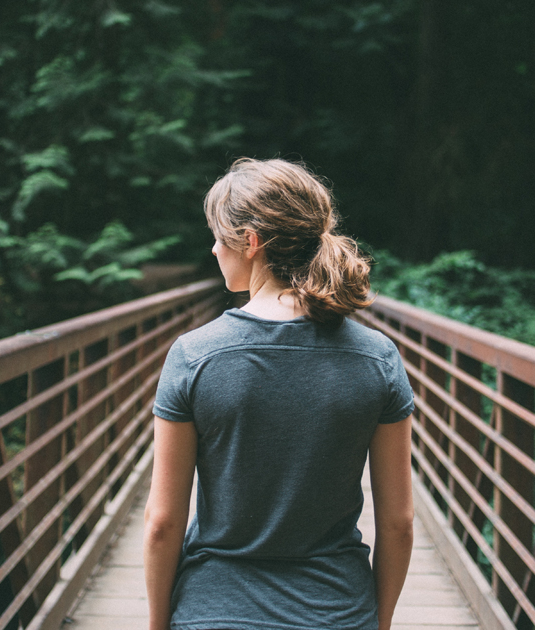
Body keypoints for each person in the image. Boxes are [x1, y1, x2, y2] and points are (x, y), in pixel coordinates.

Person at [143, 158, 416, 630]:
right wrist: (378, 621)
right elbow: (399, 523)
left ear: (249, 242)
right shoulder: (377, 358)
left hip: (215, 613)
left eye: (217, 236)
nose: (212, 249)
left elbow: (163, 522)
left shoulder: (194, 356)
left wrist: (155, 625)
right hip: (337, 611)